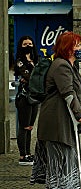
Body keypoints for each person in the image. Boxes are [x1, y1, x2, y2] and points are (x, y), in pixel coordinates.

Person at [30, 32, 81, 187]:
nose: (80, 48)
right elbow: (68, 93)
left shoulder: (70, 65)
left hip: (63, 120)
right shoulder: (61, 65)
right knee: (59, 163)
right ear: (68, 48)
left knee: (65, 160)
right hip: (57, 122)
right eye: (77, 45)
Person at [14, 35, 39, 166]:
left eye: (30, 43)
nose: (28, 46)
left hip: (35, 96)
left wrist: (32, 73)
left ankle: (28, 153)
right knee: (24, 126)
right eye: (25, 44)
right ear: (21, 46)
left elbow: (40, 74)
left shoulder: (36, 58)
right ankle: (22, 155)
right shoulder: (19, 60)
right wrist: (32, 73)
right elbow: (28, 75)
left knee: (30, 127)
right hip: (24, 97)